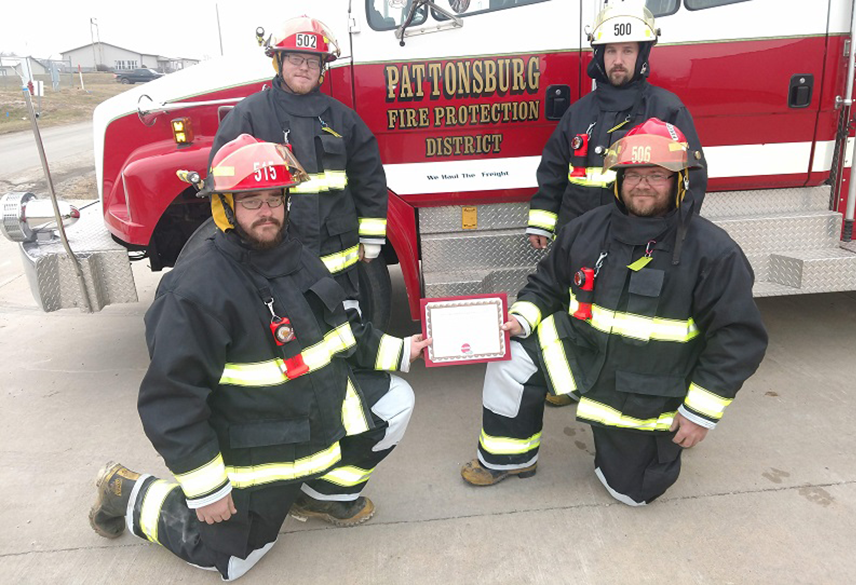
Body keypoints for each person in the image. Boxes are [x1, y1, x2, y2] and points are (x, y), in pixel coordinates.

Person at [89, 135, 431, 581]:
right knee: (235, 559)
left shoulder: (296, 257)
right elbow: (172, 401)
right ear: (225, 207)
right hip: (253, 448)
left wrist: (402, 349)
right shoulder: (195, 291)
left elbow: (340, 331)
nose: (266, 211)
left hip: (308, 418)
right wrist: (207, 489)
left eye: (275, 198)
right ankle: (125, 490)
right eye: (251, 200)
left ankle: (317, 495)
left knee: (396, 401)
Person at [461, 118, 767, 506]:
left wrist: (698, 414)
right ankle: (508, 457)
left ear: (679, 182)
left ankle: (662, 436)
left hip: (648, 386)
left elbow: (737, 338)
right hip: (585, 353)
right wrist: (521, 319)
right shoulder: (584, 230)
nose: (642, 184)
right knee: (512, 357)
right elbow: (546, 284)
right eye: (633, 174)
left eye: (656, 174)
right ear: (617, 180)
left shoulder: (713, 251)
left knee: (631, 493)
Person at [210, 16, 388, 307]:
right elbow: (221, 185)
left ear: (322, 69)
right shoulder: (248, 116)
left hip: (339, 270)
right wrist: (233, 241)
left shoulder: (344, 119)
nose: (304, 67)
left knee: (343, 336)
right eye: (295, 58)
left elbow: (369, 179)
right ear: (278, 62)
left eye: (313, 61)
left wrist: (372, 238)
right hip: (274, 263)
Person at [526, 0, 708, 251]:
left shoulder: (667, 110)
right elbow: (553, 171)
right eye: (611, 51)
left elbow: (692, 180)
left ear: (641, 55)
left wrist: (672, 237)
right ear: (600, 56)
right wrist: (541, 222)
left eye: (627, 51)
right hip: (579, 239)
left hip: (642, 242)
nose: (618, 60)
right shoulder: (578, 113)